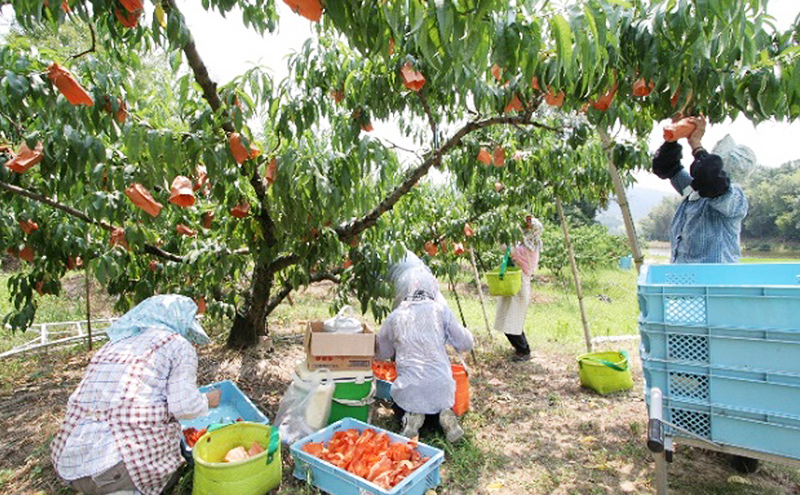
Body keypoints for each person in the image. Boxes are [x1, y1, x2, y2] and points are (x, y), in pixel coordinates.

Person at [51, 295, 221, 495]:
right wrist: (208, 400)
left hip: (70, 464)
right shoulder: (178, 344)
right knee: (174, 470)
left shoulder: (115, 343)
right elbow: (184, 407)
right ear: (179, 321)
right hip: (119, 468)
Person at [376, 271, 474, 443]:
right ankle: (445, 416)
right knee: (438, 403)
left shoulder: (395, 316)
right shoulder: (441, 311)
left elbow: (381, 352)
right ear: (433, 289)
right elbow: (465, 343)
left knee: (403, 402)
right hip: (441, 390)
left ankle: (411, 418)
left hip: (409, 390)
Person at [651, 115, 749, 263]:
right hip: (685, 280)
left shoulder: (734, 198)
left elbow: (711, 179)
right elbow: (668, 168)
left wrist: (696, 144)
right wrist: (674, 137)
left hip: (714, 283)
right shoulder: (695, 192)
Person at [494, 214, 544, 362]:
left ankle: (524, 350)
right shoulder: (530, 246)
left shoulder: (526, 249)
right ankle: (520, 349)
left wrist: (498, 226)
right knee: (509, 319)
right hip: (516, 285)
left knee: (512, 321)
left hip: (519, 287)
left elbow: (504, 247)